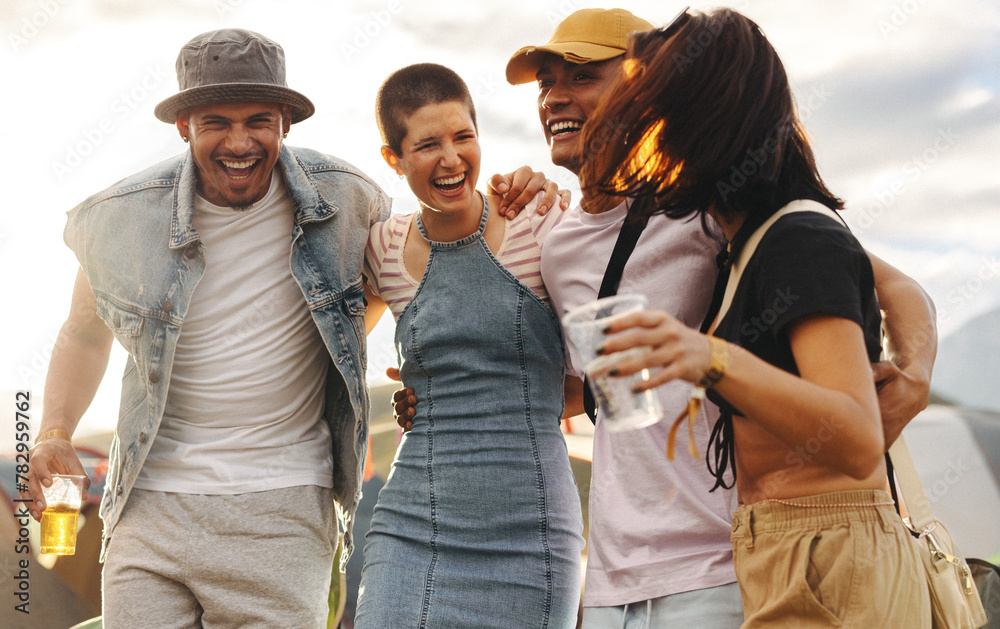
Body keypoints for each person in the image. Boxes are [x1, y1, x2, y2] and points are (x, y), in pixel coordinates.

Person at [23, 29, 560, 628]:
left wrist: (527, 190)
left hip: (284, 510)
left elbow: (417, 270)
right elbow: (82, 332)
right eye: (215, 122)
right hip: (149, 510)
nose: (239, 142)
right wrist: (52, 432)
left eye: (259, 120)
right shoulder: (121, 219)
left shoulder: (348, 201)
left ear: (285, 121)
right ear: (183, 126)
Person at [497, 7, 937, 628]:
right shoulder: (555, 240)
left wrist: (915, 376)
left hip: (726, 558)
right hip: (610, 574)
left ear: (643, 90)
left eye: (580, 76)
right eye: (546, 83)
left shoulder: (715, 210)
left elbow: (886, 282)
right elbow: (591, 388)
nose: (555, 97)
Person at [355, 63, 585, 628]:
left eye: (463, 137)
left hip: (531, 530)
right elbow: (326, 354)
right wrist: (417, 392)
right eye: (427, 144)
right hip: (413, 522)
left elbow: (598, 375)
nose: (451, 158)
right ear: (394, 159)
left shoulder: (541, 219)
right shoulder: (382, 247)